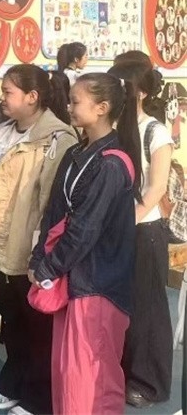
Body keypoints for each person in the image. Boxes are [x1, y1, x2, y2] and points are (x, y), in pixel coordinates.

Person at [29, 72, 141, 414]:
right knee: (68, 374)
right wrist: (39, 258)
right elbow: (53, 213)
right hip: (73, 279)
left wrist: (47, 267)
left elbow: (85, 229)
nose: (69, 106)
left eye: (76, 101)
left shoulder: (112, 164)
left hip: (98, 285)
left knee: (92, 379)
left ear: (102, 108)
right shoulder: (77, 153)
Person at [0, 65, 78, 414]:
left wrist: (40, 255)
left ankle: (39, 399)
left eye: (8, 92)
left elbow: (52, 207)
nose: (2, 98)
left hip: (27, 250)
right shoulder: (2, 132)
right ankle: (15, 380)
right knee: (12, 321)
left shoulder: (57, 141)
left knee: (38, 328)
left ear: (32, 97)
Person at [109, 62, 175, 408]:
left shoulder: (155, 131)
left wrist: (128, 219)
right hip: (116, 230)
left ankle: (149, 383)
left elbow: (156, 188)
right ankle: (122, 372)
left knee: (147, 310)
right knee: (120, 306)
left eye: (125, 86)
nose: (118, 91)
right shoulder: (112, 126)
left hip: (145, 231)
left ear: (143, 92)